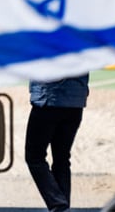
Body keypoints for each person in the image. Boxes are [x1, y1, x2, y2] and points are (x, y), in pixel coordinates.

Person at [25, 74, 89, 212]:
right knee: (62, 158)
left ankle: (58, 204)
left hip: (48, 99)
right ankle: (62, 206)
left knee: (34, 157)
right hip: (76, 102)